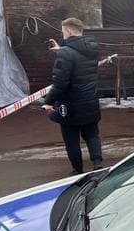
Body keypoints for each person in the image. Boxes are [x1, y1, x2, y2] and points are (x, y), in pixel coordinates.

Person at [43, 18, 103, 174]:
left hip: (70, 104)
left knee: (71, 139)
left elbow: (60, 83)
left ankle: (77, 170)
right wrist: (61, 50)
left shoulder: (65, 53)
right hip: (90, 100)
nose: (62, 34)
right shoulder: (92, 48)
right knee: (92, 134)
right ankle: (97, 164)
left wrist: (48, 102)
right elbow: (77, 58)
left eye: (63, 31)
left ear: (69, 31)